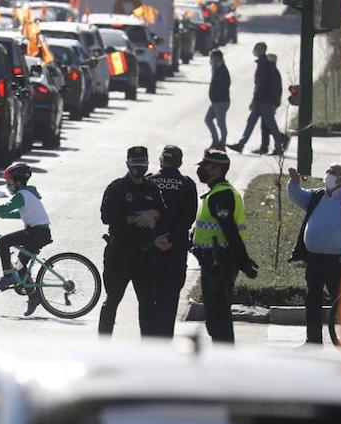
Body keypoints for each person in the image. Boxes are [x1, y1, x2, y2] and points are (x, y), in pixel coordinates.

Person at [287, 163, 341, 344]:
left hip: (338, 260)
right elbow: (298, 196)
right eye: (329, 171)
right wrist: (294, 182)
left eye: (333, 172)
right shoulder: (317, 196)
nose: (328, 175)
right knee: (312, 299)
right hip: (315, 258)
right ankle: (313, 340)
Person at [98, 146, 171, 337]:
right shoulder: (116, 188)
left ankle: (148, 351)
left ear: (148, 164)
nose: (139, 167)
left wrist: (152, 213)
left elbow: (163, 214)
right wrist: (134, 218)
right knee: (112, 301)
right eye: (135, 163)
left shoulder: (152, 188)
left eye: (142, 164)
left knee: (148, 304)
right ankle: (102, 347)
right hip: (119, 253)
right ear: (127, 164)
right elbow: (106, 216)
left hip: (145, 255)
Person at [191, 148, 257, 344]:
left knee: (218, 316)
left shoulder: (222, 196)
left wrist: (244, 262)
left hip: (218, 261)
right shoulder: (216, 193)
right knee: (215, 315)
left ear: (217, 169)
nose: (202, 170)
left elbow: (230, 232)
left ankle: (224, 359)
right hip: (213, 261)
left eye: (205, 166)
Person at [0, 161, 51, 317]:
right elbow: (19, 213)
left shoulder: (21, 195)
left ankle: (7, 276)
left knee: (4, 241)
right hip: (40, 233)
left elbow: (8, 206)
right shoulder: (28, 194)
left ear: (18, 181)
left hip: (36, 233)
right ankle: (33, 296)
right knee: (21, 264)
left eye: (9, 182)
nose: (8, 185)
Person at [150, 144, 198, 337]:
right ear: (179, 162)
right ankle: (165, 341)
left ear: (162, 160)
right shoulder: (187, 184)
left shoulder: (150, 181)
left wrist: (156, 237)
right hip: (176, 248)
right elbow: (190, 217)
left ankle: (150, 340)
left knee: (150, 299)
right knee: (170, 299)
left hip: (152, 247)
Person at [228, 42, 287, 156]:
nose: (254, 50)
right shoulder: (263, 63)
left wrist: (254, 100)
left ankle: (279, 147)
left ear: (261, 50)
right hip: (261, 100)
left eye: (256, 48)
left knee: (271, 125)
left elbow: (261, 84)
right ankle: (241, 144)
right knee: (251, 122)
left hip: (264, 100)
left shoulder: (264, 64)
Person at [205, 49, 230, 149]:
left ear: (219, 59)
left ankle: (222, 144)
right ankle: (215, 141)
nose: (212, 60)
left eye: (214, 58)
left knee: (221, 123)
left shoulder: (222, 70)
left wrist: (216, 96)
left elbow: (224, 85)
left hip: (221, 101)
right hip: (216, 101)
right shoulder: (216, 68)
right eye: (211, 58)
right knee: (208, 119)